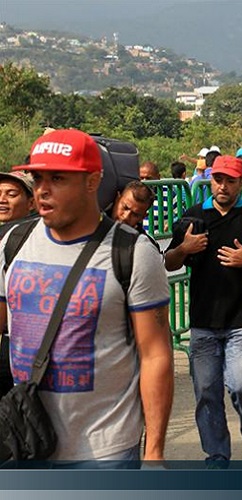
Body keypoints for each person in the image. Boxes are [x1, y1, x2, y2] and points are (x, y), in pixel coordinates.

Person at [0, 129, 173, 464]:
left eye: (58, 178)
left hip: (103, 450)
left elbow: (155, 355)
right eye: (37, 178)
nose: (42, 191)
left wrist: (154, 452)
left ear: (93, 181)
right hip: (23, 441)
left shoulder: (132, 252)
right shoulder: (12, 243)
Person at [165, 155, 242, 465]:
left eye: (230, 180)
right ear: (210, 180)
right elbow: (169, 262)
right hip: (203, 321)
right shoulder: (193, 216)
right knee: (207, 392)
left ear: (241, 183)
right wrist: (184, 249)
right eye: (218, 179)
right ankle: (217, 454)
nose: (223, 186)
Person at [0, 170, 36, 399]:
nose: (2, 199)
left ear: (32, 202)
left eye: (11, 194)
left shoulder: (35, 241)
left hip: (16, 346)